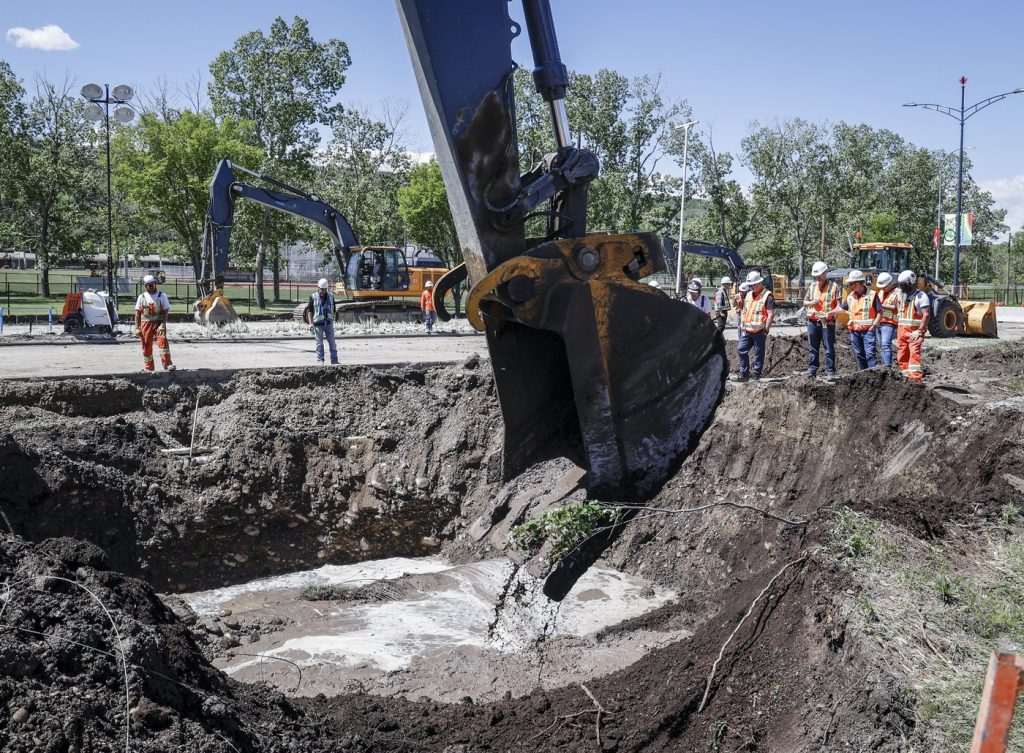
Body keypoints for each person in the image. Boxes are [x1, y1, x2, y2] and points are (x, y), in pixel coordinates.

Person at [831, 270, 881, 370]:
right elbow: (841, 309)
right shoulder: (850, 297)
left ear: (857, 283)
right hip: (855, 331)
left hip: (868, 331)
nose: (850, 286)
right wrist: (828, 313)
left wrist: (874, 325)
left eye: (851, 284)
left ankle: (873, 375)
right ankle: (862, 374)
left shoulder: (872, 295)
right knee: (859, 354)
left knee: (870, 354)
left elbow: (880, 311)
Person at [735, 270, 774, 382]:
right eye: (750, 285)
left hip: (759, 331)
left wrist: (766, 329)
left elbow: (770, 314)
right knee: (741, 349)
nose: (751, 287)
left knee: (758, 353)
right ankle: (744, 373)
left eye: (753, 285)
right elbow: (744, 311)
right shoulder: (748, 295)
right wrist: (742, 324)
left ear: (759, 283)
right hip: (747, 330)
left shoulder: (768, 296)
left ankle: (757, 373)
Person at [803, 260, 839, 379]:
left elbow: (839, 306)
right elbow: (805, 302)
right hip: (812, 321)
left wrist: (830, 316)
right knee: (813, 347)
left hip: (827, 323)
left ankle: (830, 371)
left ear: (825, 273)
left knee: (828, 347)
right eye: (816, 276)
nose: (817, 278)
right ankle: (812, 369)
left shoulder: (834, 287)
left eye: (819, 275)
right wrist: (812, 302)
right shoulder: (812, 286)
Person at [134, 274, 175, 372]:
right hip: (145, 324)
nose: (151, 287)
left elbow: (165, 311)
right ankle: (149, 368)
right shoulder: (141, 297)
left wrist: (163, 324)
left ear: (155, 284)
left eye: (152, 285)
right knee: (146, 346)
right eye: (149, 285)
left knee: (163, 342)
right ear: (146, 286)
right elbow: (137, 313)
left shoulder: (162, 296)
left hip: (158, 323)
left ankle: (167, 364)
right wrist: (137, 327)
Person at [895, 270, 931, 382]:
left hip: (914, 332)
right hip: (902, 332)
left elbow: (926, 315)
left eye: (904, 286)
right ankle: (905, 377)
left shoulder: (921, 296)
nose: (902, 288)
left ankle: (915, 380)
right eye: (901, 286)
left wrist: (920, 331)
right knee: (901, 356)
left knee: (914, 355)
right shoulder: (901, 295)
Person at [304, 278, 338, 364]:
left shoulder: (331, 296)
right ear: (318, 287)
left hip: (328, 323)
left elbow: (334, 309)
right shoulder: (313, 296)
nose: (323, 291)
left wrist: (333, 318)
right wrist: (310, 323)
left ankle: (334, 360)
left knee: (332, 343)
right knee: (319, 343)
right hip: (318, 324)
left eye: (325, 289)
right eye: (322, 289)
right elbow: (310, 310)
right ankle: (320, 359)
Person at [875, 272, 900, 367]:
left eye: (884, 286)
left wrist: (882, 306)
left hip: (889, 322)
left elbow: (898, 307)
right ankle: (884, 365)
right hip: (879, 321)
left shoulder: (897, 292)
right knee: (881, 346)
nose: (882, 288)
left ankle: (887, 366)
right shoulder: (881, 292)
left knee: (885, 345)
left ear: (890, 283)